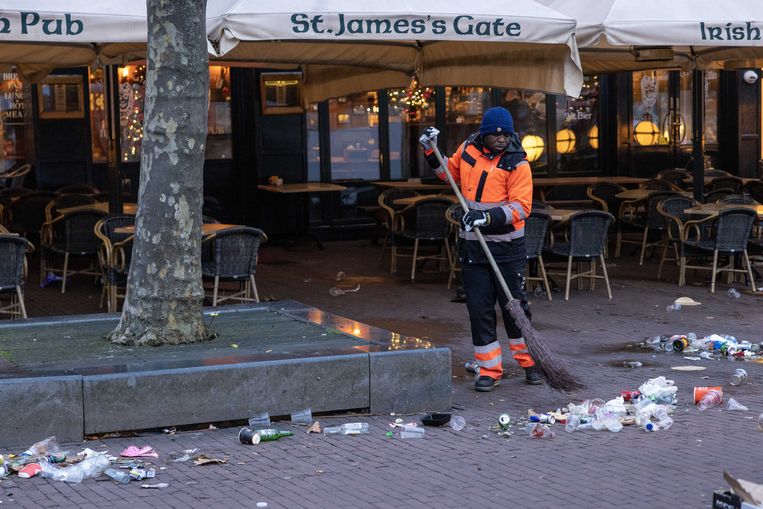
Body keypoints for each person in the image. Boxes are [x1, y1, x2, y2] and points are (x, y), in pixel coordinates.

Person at [418, 106, 541, 392]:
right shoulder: (468, 150)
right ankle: (488, 369)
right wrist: (429, 150)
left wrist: (487, 217)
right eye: (495, 135)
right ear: (484, 135)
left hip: (507, 247)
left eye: (505, 135)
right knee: (479, 308)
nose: (500, 139)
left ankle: (529, 362)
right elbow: (449, 174)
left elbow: (522, 207)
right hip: (473, 246)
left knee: (514, 308)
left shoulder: (517, 164)